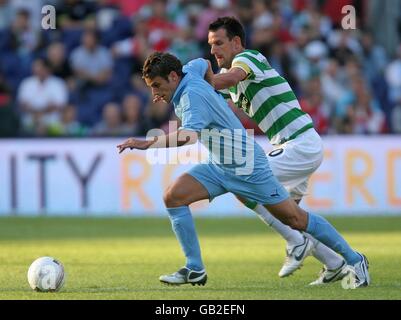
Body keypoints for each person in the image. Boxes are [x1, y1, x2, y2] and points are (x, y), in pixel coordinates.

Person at [117, 52, 370, 289]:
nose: (155, 94)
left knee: (295, 219)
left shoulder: (191, 96)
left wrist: (147, 143)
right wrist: (212, 90)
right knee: (173, 196)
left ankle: (354, 259)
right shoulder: (189, 72)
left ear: (173, 77)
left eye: (157, 86)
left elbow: (188, 137)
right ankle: (194, 268)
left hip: (248, 167)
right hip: (220, 166)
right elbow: (204, 63)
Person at [207, 16, 346, 284]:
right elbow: (209, 95)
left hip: (299, 143)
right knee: (291, 217)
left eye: (219, 43)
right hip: (294, 145)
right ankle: (336, 262)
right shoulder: (225, 77)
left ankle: (297, 244)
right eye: (210, 45)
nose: (213, 51)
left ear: (236, 43)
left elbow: (228, 80)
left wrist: (196, 75)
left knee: (241, 178)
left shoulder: (248, 59)